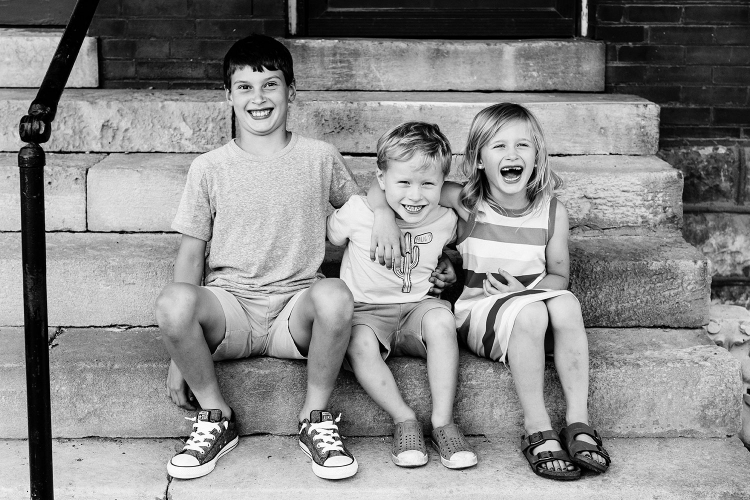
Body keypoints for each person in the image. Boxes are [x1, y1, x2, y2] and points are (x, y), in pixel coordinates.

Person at [154, 34, 365, 481]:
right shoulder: (209, 167)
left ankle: (315, 418)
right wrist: (180, 357)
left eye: (271, 84)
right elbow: (191, 254)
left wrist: (402, 232)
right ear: (228, 96)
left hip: (296, 310)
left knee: (336, 295)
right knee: (172, 301)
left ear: (291, 91)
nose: (259, 97)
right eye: (245, 87)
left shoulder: (320, 157)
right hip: (230, 308)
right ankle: (216, 415)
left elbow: (361, 212)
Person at [370, 103, 611, 481]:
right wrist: (384, 216)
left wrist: (525, 290)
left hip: (535, 313)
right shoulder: (467, 202)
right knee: (532, 311)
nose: (512, 155)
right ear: (479, 159)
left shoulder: (552, 212)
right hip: (479, 315)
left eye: (522, 145)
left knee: (566, 305)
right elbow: (385, 183)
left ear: (537, 155)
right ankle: (537, 428)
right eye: (499, 146)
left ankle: (578, 422)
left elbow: (559, 277)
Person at [328, 121, 477, 469]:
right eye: (404, 183)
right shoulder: (359, 212)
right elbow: (330, 235)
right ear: (382, 180)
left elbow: (456, 248)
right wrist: (379, 211)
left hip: (416, 309)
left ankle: (443, 423)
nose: (415, 195)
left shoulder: (445, 218)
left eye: (428, 184)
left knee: (442, 319)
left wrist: (451, 262)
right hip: (365, 311)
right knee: (356, 342)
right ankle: (404, 419)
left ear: (443, 183)